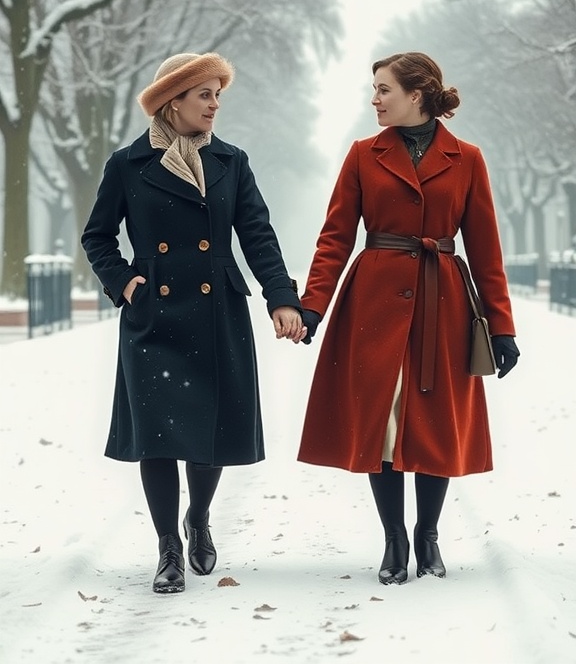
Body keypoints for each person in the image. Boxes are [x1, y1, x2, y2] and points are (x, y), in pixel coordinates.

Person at [82, 52, 304, 595]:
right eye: (203, 94)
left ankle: (198, 518)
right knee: (157, 436)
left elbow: (257, 233)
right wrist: (124, 281)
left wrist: (282, 297)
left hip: (215, 308)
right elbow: (97, 235)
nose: (214, 104)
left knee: (212, 427)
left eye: (217, 94)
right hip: (152, 313)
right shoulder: (127, 164)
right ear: (171, 101)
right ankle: (167, 548)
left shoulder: (232, 160)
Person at [296, 52, 520, 584]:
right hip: (373, 301)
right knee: (384, 424)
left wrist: (502, 325)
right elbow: (335, 237)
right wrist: (313, 304)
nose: (374, 100)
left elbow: (486, 249)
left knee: (435, 419)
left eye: (383, 90)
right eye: (374, 90)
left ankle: (428, 535)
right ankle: (394, 538)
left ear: (416, 95)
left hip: (443, 302)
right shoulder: (361, 155)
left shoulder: (467, 158)